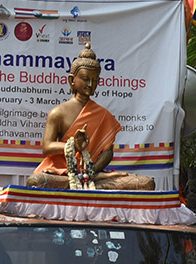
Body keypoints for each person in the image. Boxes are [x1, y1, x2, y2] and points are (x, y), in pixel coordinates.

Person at [29, 45, 152, 190]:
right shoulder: (58, 112)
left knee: (146, 183)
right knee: (36, 181)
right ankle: (82, 181)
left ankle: (87, 181)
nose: (90, 84)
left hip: (91, 174)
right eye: (85, 79)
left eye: (95, 80)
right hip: (61, 172)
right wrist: (73, 145)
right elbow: (47, 147)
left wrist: (91, 172)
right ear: (72, 80)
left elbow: (107, 152)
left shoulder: (103, 114)